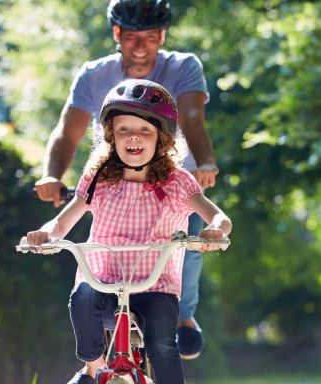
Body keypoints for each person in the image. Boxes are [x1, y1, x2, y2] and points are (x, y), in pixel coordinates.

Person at [32, 0, 215, 359]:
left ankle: (183, 318)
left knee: (186, 243)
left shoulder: (183, 66)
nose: (141, 46)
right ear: (117, 34)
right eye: (132, 37)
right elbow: (67, 134)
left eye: (150, 37)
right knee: (98, 245)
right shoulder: (93, 74)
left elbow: (192, 118)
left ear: (162, 36)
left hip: (169, 182)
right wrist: (52, 175)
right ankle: (95, 358)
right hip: (115, 183)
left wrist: (205, 163)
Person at [23, 79, 232, 384]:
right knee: (81, 299)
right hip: (104, 282)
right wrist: (45, 234)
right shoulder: (98, 177)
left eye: (144, 130)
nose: (133, 137)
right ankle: (93, 368)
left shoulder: (178, 181)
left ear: (161, 139)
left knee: (162, 342)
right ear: (111, 135)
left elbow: (219, 217)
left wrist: (215, 230)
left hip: (155, 286)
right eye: (123, 130)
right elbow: (63, 222)